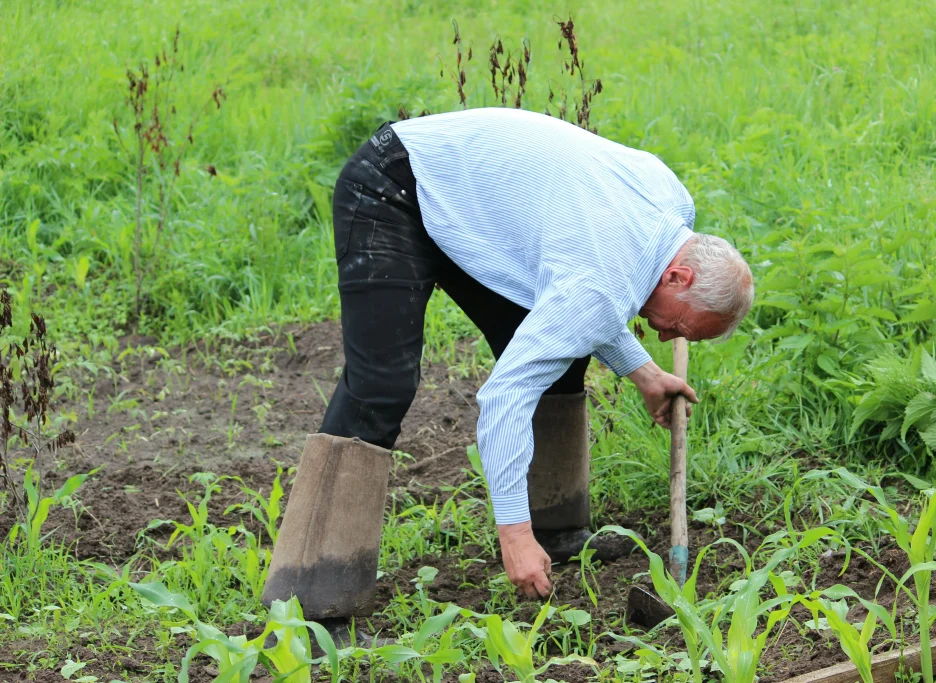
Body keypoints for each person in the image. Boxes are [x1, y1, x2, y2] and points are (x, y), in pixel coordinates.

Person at [261, 107, 754, 638]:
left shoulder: (670, 204)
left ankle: (558, 529)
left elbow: (594, 296)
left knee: (563, 354)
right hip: (396, 184)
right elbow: (507, 395)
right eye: (678, 325)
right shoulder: (602, 280)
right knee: (382, 383)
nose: (665, 336)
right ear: (680, 274)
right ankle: (310, 598)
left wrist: (644, 372)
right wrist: (511, 533)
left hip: (472, 203)